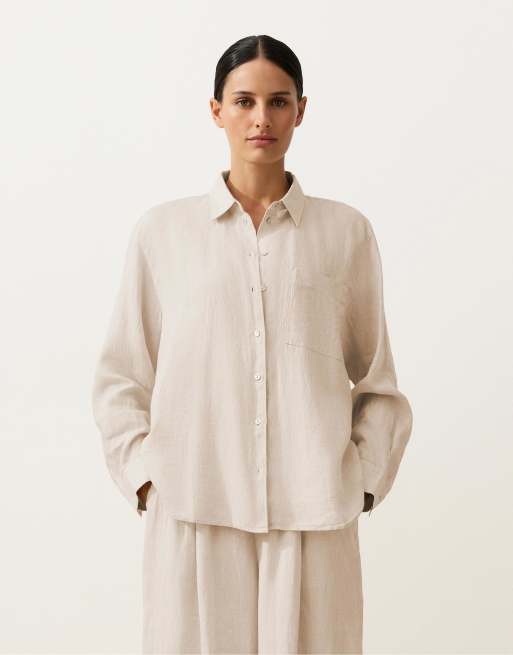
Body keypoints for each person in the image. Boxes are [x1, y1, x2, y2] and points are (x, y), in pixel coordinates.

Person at [92, 34, 413, 654]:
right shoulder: (164, 233)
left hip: (314, 516)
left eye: (278, 101)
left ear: (301, 110)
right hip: (193, 509)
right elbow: (122, 376)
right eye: (244, 101)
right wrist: (147, 480)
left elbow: (377, 381)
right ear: (217, 111)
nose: (261, 118)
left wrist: (362, 483)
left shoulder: (345, 233)